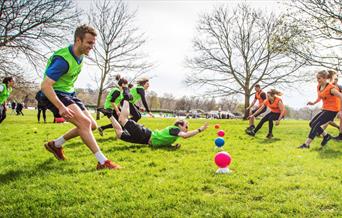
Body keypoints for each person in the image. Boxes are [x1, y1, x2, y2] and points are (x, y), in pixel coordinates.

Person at [40, 24, 121, 170]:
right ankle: (103, 162)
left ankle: (55, 145)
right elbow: (45, 86)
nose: (92, 47)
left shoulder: (80, 55)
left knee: (92, 125)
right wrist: (60, 106)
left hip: (68, 93)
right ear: (78, 40)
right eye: (89, 43)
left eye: (93, 43)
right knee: (84, 124)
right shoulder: (63, 60)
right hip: (54, 93)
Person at [109, 90, 208, 148]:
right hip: (145, 134)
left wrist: (171, 146)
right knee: (122, 120)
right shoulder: (175, 129)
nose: (187, 128)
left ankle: (109, 115)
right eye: (186, 126)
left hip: (144, 141)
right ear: (180, 126)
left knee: (120, 134)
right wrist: (200, 130)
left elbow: (163, 141)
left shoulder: (174, 134)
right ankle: (126, 98)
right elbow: (185, 136)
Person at [298, 70, 342, 149]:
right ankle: (326, 136)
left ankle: (306, 144)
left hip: (332, 111)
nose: (318, 80)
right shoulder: (319, 86)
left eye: (319, 78)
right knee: (311, 123)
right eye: (317, 78)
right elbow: (320, 96)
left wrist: (340, 111)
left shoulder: (331, 88)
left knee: (316, 124)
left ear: (325, 78)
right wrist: (313, 103)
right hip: (325, 109)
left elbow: (341, 96)